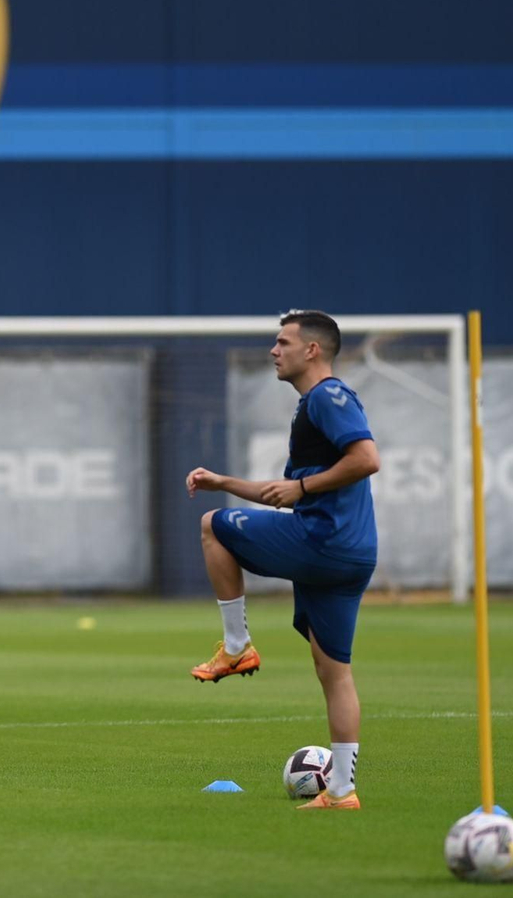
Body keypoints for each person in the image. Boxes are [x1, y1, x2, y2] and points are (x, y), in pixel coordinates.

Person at [185, 309, 380, 811]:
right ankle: (341, 793)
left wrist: (303, 486)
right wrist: (224, 482)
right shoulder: (311, 407)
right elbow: (281, 495)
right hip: (352, 552)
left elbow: (366, 459)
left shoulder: (327, 396)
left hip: (323, 541)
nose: (274, 351)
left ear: (311, 349)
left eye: (282, 342)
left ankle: (236, 646)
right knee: (333, 671)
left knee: (212, 526)